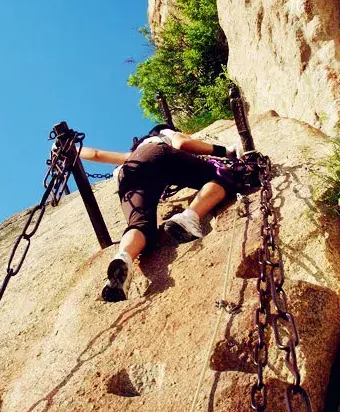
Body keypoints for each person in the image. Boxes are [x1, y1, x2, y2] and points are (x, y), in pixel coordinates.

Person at [79, 125, 237, 302]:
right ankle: (189, 217)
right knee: (222, 177)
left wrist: (69, 149)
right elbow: (182, 143)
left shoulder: (133, 153)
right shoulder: (163, 134)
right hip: (159, 155)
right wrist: (225, 151)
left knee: (140, 225)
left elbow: (96, 154)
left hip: (128, 173)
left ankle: (124, 257)